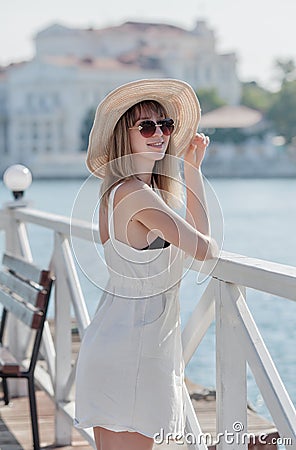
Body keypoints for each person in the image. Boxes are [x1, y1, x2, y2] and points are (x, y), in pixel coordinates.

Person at [74, 78, 218, 450]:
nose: (160, 134)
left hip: (116, 343)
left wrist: (192, 172)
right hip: (134, 352)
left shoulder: (119, 191)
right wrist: (192, 174)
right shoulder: (137, 195)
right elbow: (205, 248)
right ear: (126, 134)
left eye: (165, 124)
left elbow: (194, 241)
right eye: (147, 126)